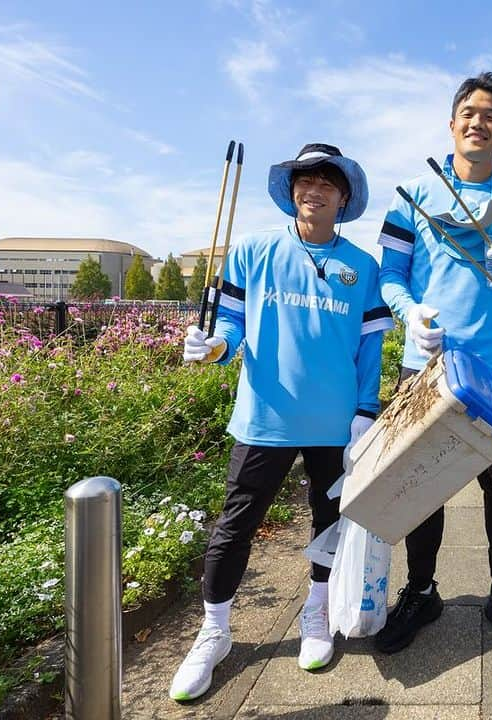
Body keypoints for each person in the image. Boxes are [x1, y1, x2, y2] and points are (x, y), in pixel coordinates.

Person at [169, 144, 393, 701]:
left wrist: (366, 413)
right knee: (234, 525)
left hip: (335, 423)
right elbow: (231, 322)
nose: (312, 188)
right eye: (303, 178)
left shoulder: (362, 268)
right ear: (291, 188)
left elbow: (371, 350)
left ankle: (314, 615)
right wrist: (216, 344)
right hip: (263, 418)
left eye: (326, 181)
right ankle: (214, 630)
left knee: (327, 522)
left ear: (344, 197)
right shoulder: (251, 250)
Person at [375, 72, 492, 658]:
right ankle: (421, 589)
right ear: (452, 122)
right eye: (469, 113)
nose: (479, 123)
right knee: (421, 486)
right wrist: (410, 313)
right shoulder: (412, 194)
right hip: (425, 364)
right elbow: (389, 277)